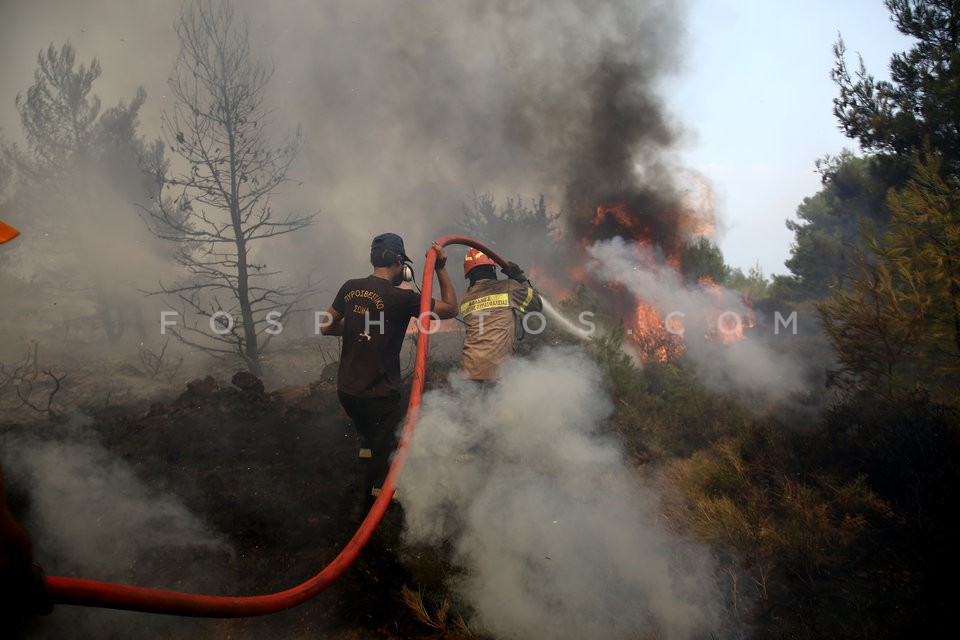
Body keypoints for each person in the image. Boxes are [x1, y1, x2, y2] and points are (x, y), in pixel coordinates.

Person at [321, 233, 457, 507]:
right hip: (379, 397)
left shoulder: (350, 287)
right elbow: (452, 309)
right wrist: (440, 269)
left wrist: (356, 328)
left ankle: (366, 458)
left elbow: (326, 326)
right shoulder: (402, 298)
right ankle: (377, 503)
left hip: (346, 392)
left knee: (369, 436)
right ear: (399, 263)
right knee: (387, 453)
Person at [459, 248, 543, 382]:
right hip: (497, 371)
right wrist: (519, 278)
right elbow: (536, 304)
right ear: (493, 269)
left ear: (469, 275)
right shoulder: (508, 287)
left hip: (468, 370)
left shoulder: (466, 297)